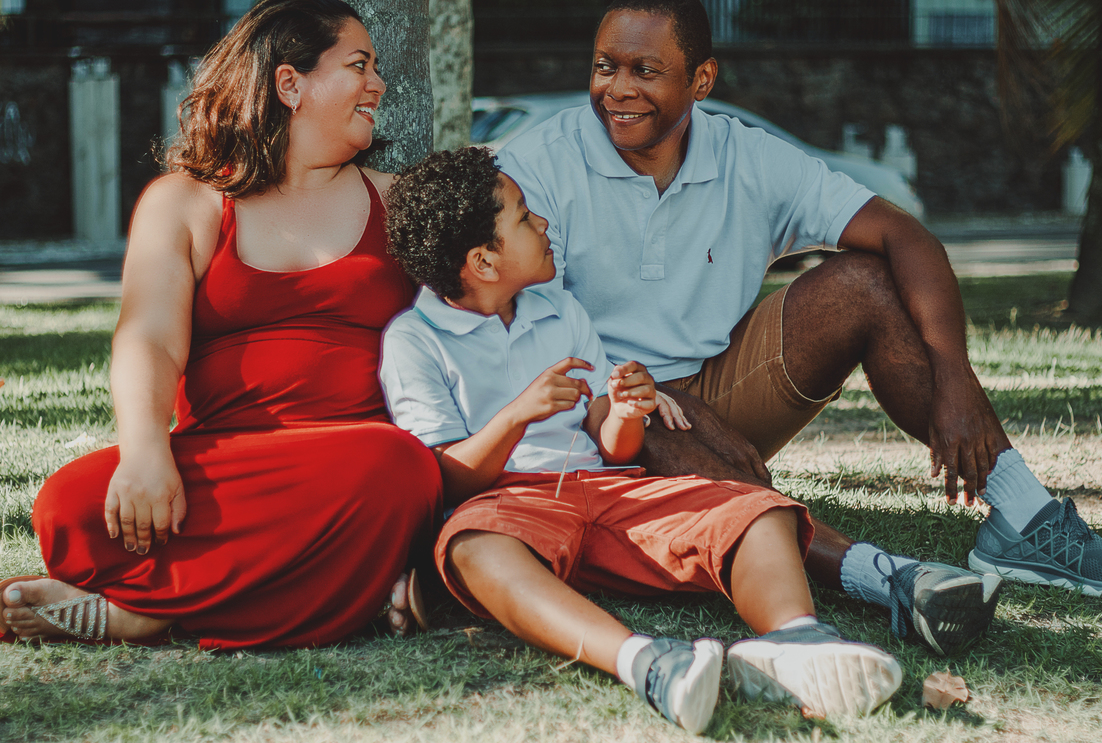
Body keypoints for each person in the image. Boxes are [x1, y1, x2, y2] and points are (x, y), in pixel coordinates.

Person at [494, 0, 1102, 655]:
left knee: (864, 281)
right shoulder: (540, 164)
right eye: (605, 66)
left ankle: (1025, 520)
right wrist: (648, 395)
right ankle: (887, 577)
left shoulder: (746, 157)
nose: (617, 89)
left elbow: (907, 237)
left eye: (645, 70)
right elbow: (525, 318)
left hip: (719, 386)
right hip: (597, 413)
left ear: (702, 79)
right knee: (652, 427)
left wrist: (954, 376)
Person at [378, 146, 904, 733]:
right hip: (508, 504)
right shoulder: (416, 340)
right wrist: (516, 415)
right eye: (525, 218)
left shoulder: (559, 308)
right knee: (472, 546)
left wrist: (627, 410)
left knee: (754, 509)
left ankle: (796, 639)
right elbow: (448, 474)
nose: (544, 225)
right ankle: (648, 663)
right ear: (483, 261)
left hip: (608, 492)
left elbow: (613, 445)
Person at [0, 0, 442, 649]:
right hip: (223, 468)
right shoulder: (186, 202)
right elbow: (148, 340)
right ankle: (357, 589)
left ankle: (146, 614)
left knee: (401, 467)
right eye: (359, 64)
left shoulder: (398, 202)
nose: (378, 84)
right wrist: (145, 452)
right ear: (291, 82)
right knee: (69, 506)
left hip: (355, 462)